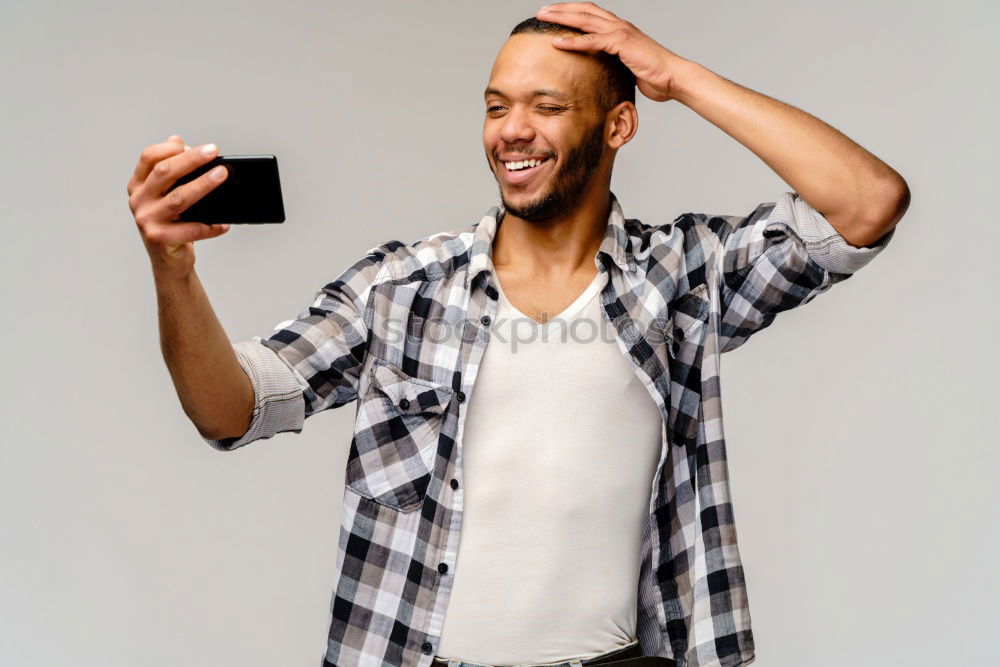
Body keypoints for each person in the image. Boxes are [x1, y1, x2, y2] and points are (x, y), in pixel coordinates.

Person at [125, 4, 908, 666]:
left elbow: (867, 204)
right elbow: (234, 409)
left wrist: (676, 75)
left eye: (547, 106)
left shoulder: (679, 279)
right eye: (497, 106)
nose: (512, 131)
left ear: (619, 124)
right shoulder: (402, 287)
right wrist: (172, 266)